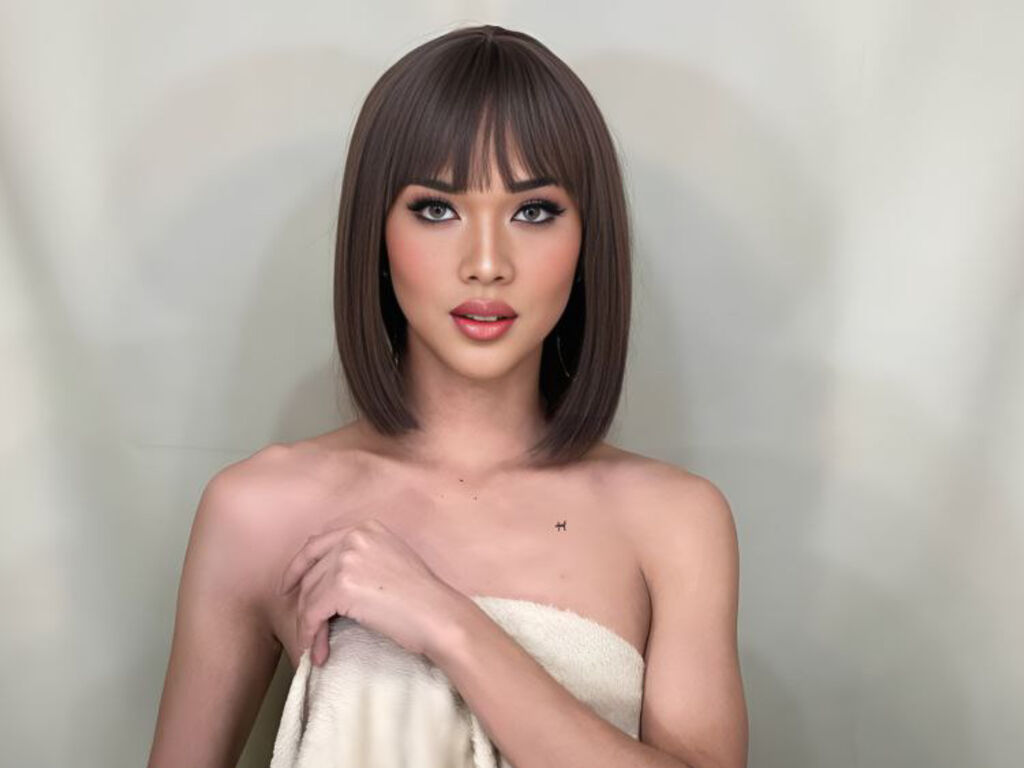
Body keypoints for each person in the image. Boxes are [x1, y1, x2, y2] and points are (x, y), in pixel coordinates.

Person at [147, 23, 748, 768]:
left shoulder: (673, 521)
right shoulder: (259, 511)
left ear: (587, 240)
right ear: (376, 232)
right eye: (437, 208)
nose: (487, 263)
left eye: (534, 211)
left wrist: (445, 623)